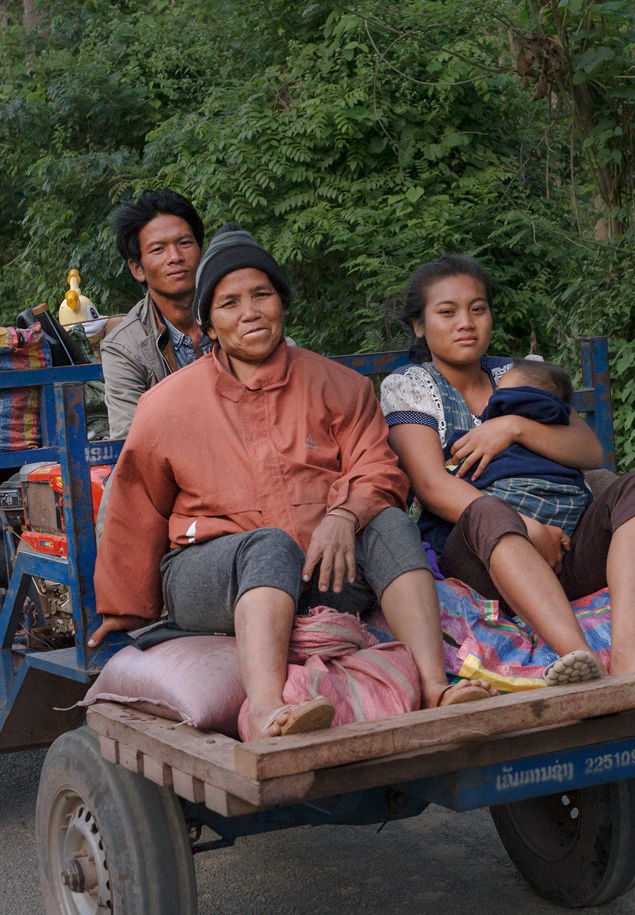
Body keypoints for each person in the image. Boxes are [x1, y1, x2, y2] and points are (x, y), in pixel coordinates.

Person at [88, 227, 493, 740]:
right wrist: (123, 612)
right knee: (269, 546)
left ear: (282, 302)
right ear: (209, 323)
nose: (250, 312)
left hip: (327, 570)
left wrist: (344, 515)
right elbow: (135, 507)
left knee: (389, 521)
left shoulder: (338, 385)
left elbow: (380, 469)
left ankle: (437, 687)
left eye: (262, 294)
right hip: (212, 576)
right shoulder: (167, 405)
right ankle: (265, 710)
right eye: (230, 302)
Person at [380, 254, 635, 681]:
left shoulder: (518, 373)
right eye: (447, 312)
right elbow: (431, 486)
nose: (465, 322)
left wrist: (514, 427)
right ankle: (579, 657)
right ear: (419, 325)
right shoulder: (410, 385)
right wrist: (526, 527)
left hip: (566, 546)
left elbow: (588, 451)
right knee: (485, 510)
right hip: (479, 561)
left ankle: (630, 648)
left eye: (477, 309)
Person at [97, 190, 210, 440]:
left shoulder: (235, 315)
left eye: (184, 243)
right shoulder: (124, 347)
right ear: (138, 268)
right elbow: (132, 440)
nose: (175, 257)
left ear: (201, 251)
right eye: (158, 249)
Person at [459, 358, 593, 538]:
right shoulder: (554, 424)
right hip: (566, 517)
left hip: (504, 522)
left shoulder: (524, 371)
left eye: (497, 393)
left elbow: (594, 453)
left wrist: (514, 427)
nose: (490, 400)